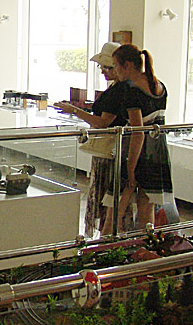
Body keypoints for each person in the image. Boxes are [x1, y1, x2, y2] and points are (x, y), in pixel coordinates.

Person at [54, 41, 126, 236]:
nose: (103, 71)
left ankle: (107, 236)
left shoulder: (119, 91)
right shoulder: (117, 88)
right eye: (102, 67)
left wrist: (74, 110)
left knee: (106, 196)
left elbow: (103, 122)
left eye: (107, 67)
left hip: (110, 150)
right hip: (108, 149)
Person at [105, 43, 175, 229]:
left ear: (127, 65)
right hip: (157, 154)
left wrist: (130, 168)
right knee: (146, 212)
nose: (115, 70)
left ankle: (105, 244)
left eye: (116, 66)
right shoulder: (159, 86)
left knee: (115, 210)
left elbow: (138, 133)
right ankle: (144, 244)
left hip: (136, 155)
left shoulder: (132, 91)